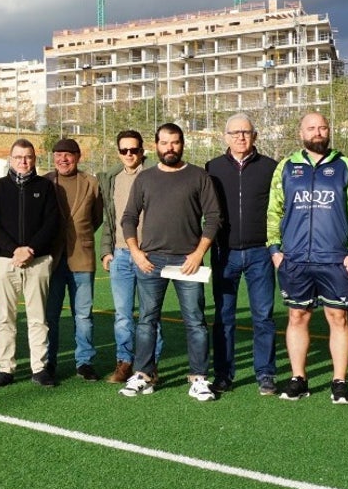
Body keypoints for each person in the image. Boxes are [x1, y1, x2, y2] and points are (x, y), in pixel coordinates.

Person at [267, 112, 348, 404]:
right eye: (311, 128)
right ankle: (299, 378)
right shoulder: (287, 166)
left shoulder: (345, 165)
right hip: (295, 258)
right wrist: (274, 248)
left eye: (323, 127)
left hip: (335, 258)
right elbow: (274, 209)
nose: (318, 132)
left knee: (338, 317)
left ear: (329, 130)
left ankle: (340, 381)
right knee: (297, 316)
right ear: (301, 132)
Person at [119, 123, 222, 401]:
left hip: (188, 262)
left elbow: (213, 218)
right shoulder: (145, 178)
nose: (170, 148)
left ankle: (199, 378)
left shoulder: (199, 176)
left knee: (196, 321)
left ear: (182, 144)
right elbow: (128, 217)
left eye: (175, 142)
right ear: (155, 146)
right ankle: (143, 374)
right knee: (147, 320)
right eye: (164, 143)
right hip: (150, 261)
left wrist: (198, 253)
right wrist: (136, 252)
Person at [205, 114, 278, 396]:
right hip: (225, 253)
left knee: (263, 317)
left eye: (246, 132)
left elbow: (278, 210)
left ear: (255, 136)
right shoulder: (211, 168)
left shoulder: (270, 168)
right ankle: (224, 374)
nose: (240, 137)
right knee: (224, 316)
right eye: (234, 133)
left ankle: (266, 374)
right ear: (225, 137)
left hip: (260, 252)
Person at [0, 139, 60, 388]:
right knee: (5, 318)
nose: (23, 161)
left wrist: (30, 249)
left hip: (37, 261)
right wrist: (13, 250)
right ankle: (5, 368)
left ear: (34, 159)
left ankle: (39, 368)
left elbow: (52, 223)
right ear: (10, 159)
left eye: (28, 157)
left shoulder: (46, 187)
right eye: (18, 157)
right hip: (5, 262)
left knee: (38, 318)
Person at [99, 130, 162, 385]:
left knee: (150, 313)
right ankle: (124, 361)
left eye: (134, 150)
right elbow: (109, 219)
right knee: (123, 315)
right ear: (118, 152)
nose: (129, 155)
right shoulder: (111, 178)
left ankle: (151, 364)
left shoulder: (154, 176)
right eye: (124, 150)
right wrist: (106, 250)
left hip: (148, 254)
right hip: (121, 255)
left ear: (142, 151)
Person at [43, 138, 103, 382]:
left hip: (82, 258)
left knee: (83, 315)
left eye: (68, 155)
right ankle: (49, 362)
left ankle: (84, 362)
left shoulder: (91, 183)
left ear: (78, 157)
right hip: (51, 260)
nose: (63, 159)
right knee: (51, 315)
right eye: (58, 155)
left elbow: (97, 217)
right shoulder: (45, 182)